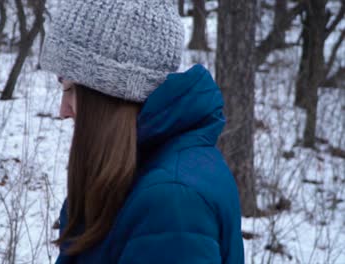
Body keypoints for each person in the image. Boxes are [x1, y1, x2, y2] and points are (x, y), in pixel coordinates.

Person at [39, 0, 244, 263]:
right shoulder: (141, 170)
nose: (63, 110)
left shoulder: (172, 202)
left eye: (69, 88)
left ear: (107, 92)